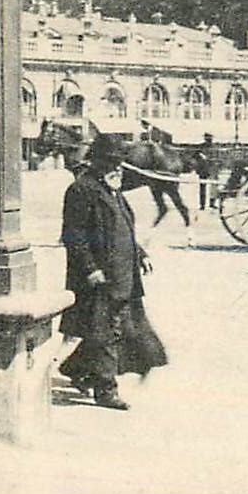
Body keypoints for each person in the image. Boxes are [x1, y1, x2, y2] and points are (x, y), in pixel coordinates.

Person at [58, 134, 165, 409]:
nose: (119, 168)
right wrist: (91, 269)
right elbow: (74, 236)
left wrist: (139, 253)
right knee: (106, 330)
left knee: (115, 328)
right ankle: (106, 390)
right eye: (113, 163)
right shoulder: (82, 190)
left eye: (120, 163)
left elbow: (123, 227)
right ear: (99, 163)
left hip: (122, 273)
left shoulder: (112, 189)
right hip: (100, 276)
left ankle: (75, 369)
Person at [194, 132, 215, 213]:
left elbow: (217, 156)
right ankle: (202, 205)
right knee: (202, 187)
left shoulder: (214, 147)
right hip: (203, 169)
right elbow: (195, 156)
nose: (208, 139)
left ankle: (212, 203)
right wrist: (201, 158)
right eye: (207, 138)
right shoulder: (200, 147)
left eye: (209, 138)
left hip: (212, 168)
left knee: (213, 187)